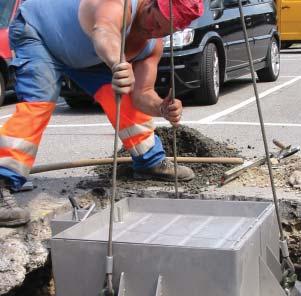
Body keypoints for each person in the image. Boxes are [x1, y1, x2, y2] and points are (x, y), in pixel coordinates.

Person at [0, 0, 204, 227]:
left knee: (124, 100)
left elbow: (142, 94)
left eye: (163, 31)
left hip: (85, 55)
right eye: (155, 22)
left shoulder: (152, 44)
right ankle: (3, 179)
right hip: (40, 33)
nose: (153, 31)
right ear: (150, 4)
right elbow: (104, 30)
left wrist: (161, 107)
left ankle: (150, 161)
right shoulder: (119, 4)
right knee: (40, 101)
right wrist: (118, 64)